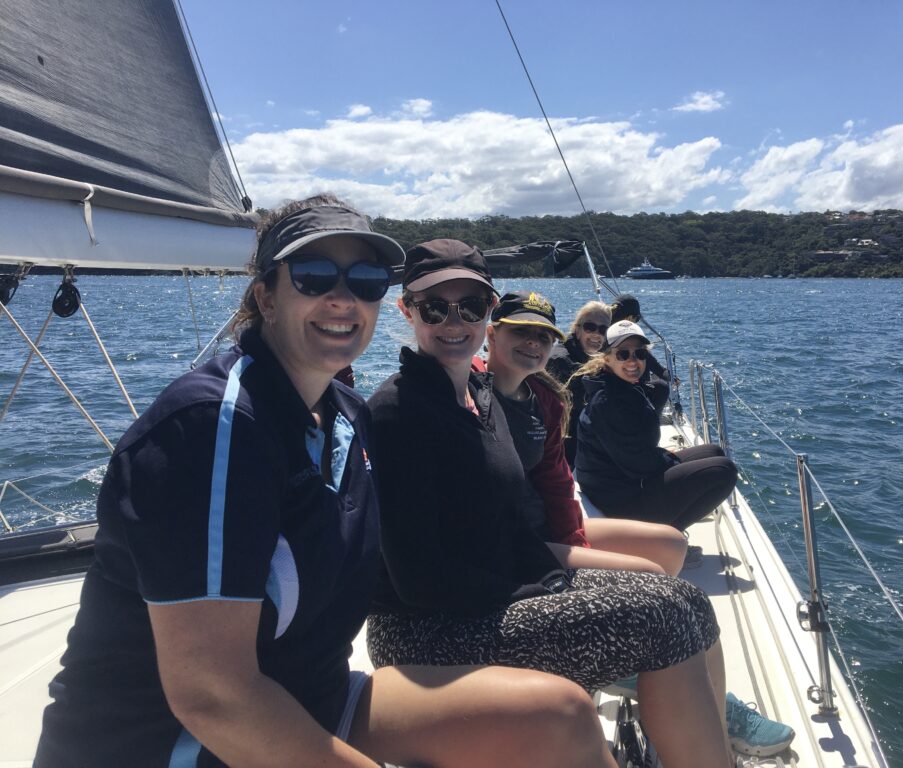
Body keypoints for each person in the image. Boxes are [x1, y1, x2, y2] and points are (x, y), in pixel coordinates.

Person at [34, 198, 610, 768]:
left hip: (317, 695)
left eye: (365, 281)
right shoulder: (212, 428)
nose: (343, 299)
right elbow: (213, 697)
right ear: (266, 295)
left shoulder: (347, 415)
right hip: (172, 744)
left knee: (562, 715)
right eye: (312, 276)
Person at [367, 238, 736, 768]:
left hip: (495, 593)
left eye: (469, 305)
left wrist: (551, 576)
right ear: (407, 310)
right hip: (427, 629)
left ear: (487, 312)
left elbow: (513, 518)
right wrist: (548, 584)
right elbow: (419, 579)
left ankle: (699, 745)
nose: (454, 320)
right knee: (664, 615)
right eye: (433, 307)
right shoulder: (398, 411)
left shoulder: (478, 394)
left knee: (685, 601)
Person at [480, 289, 689, 576]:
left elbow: (557, 481)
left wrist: (574, 541)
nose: (533, 341)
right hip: (515, 540)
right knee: (653, 575)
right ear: (491, 335)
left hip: (547, 524)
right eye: (520, 331)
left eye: (543, 336)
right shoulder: (470, 394)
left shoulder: (546, 399)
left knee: (673, 544)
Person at [574, 320, 739, 532]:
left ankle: (668, 519)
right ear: (607, 358)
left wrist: (665, 459)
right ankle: (664, 538)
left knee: (713, 451)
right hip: (620, 500)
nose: (633, 361)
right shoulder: (607, 401)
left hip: (624, 480)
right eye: (623, 354)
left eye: (639, 354)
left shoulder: (623, 385)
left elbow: (636, 452)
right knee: (724, 471)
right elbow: (638, 463)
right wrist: (669, 460)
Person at [546, 300, 611, 467]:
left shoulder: (599, 355)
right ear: (577, 329)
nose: (597, 334)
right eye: (590, 327)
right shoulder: (559, 360)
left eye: (603, 329)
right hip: (564, 448)